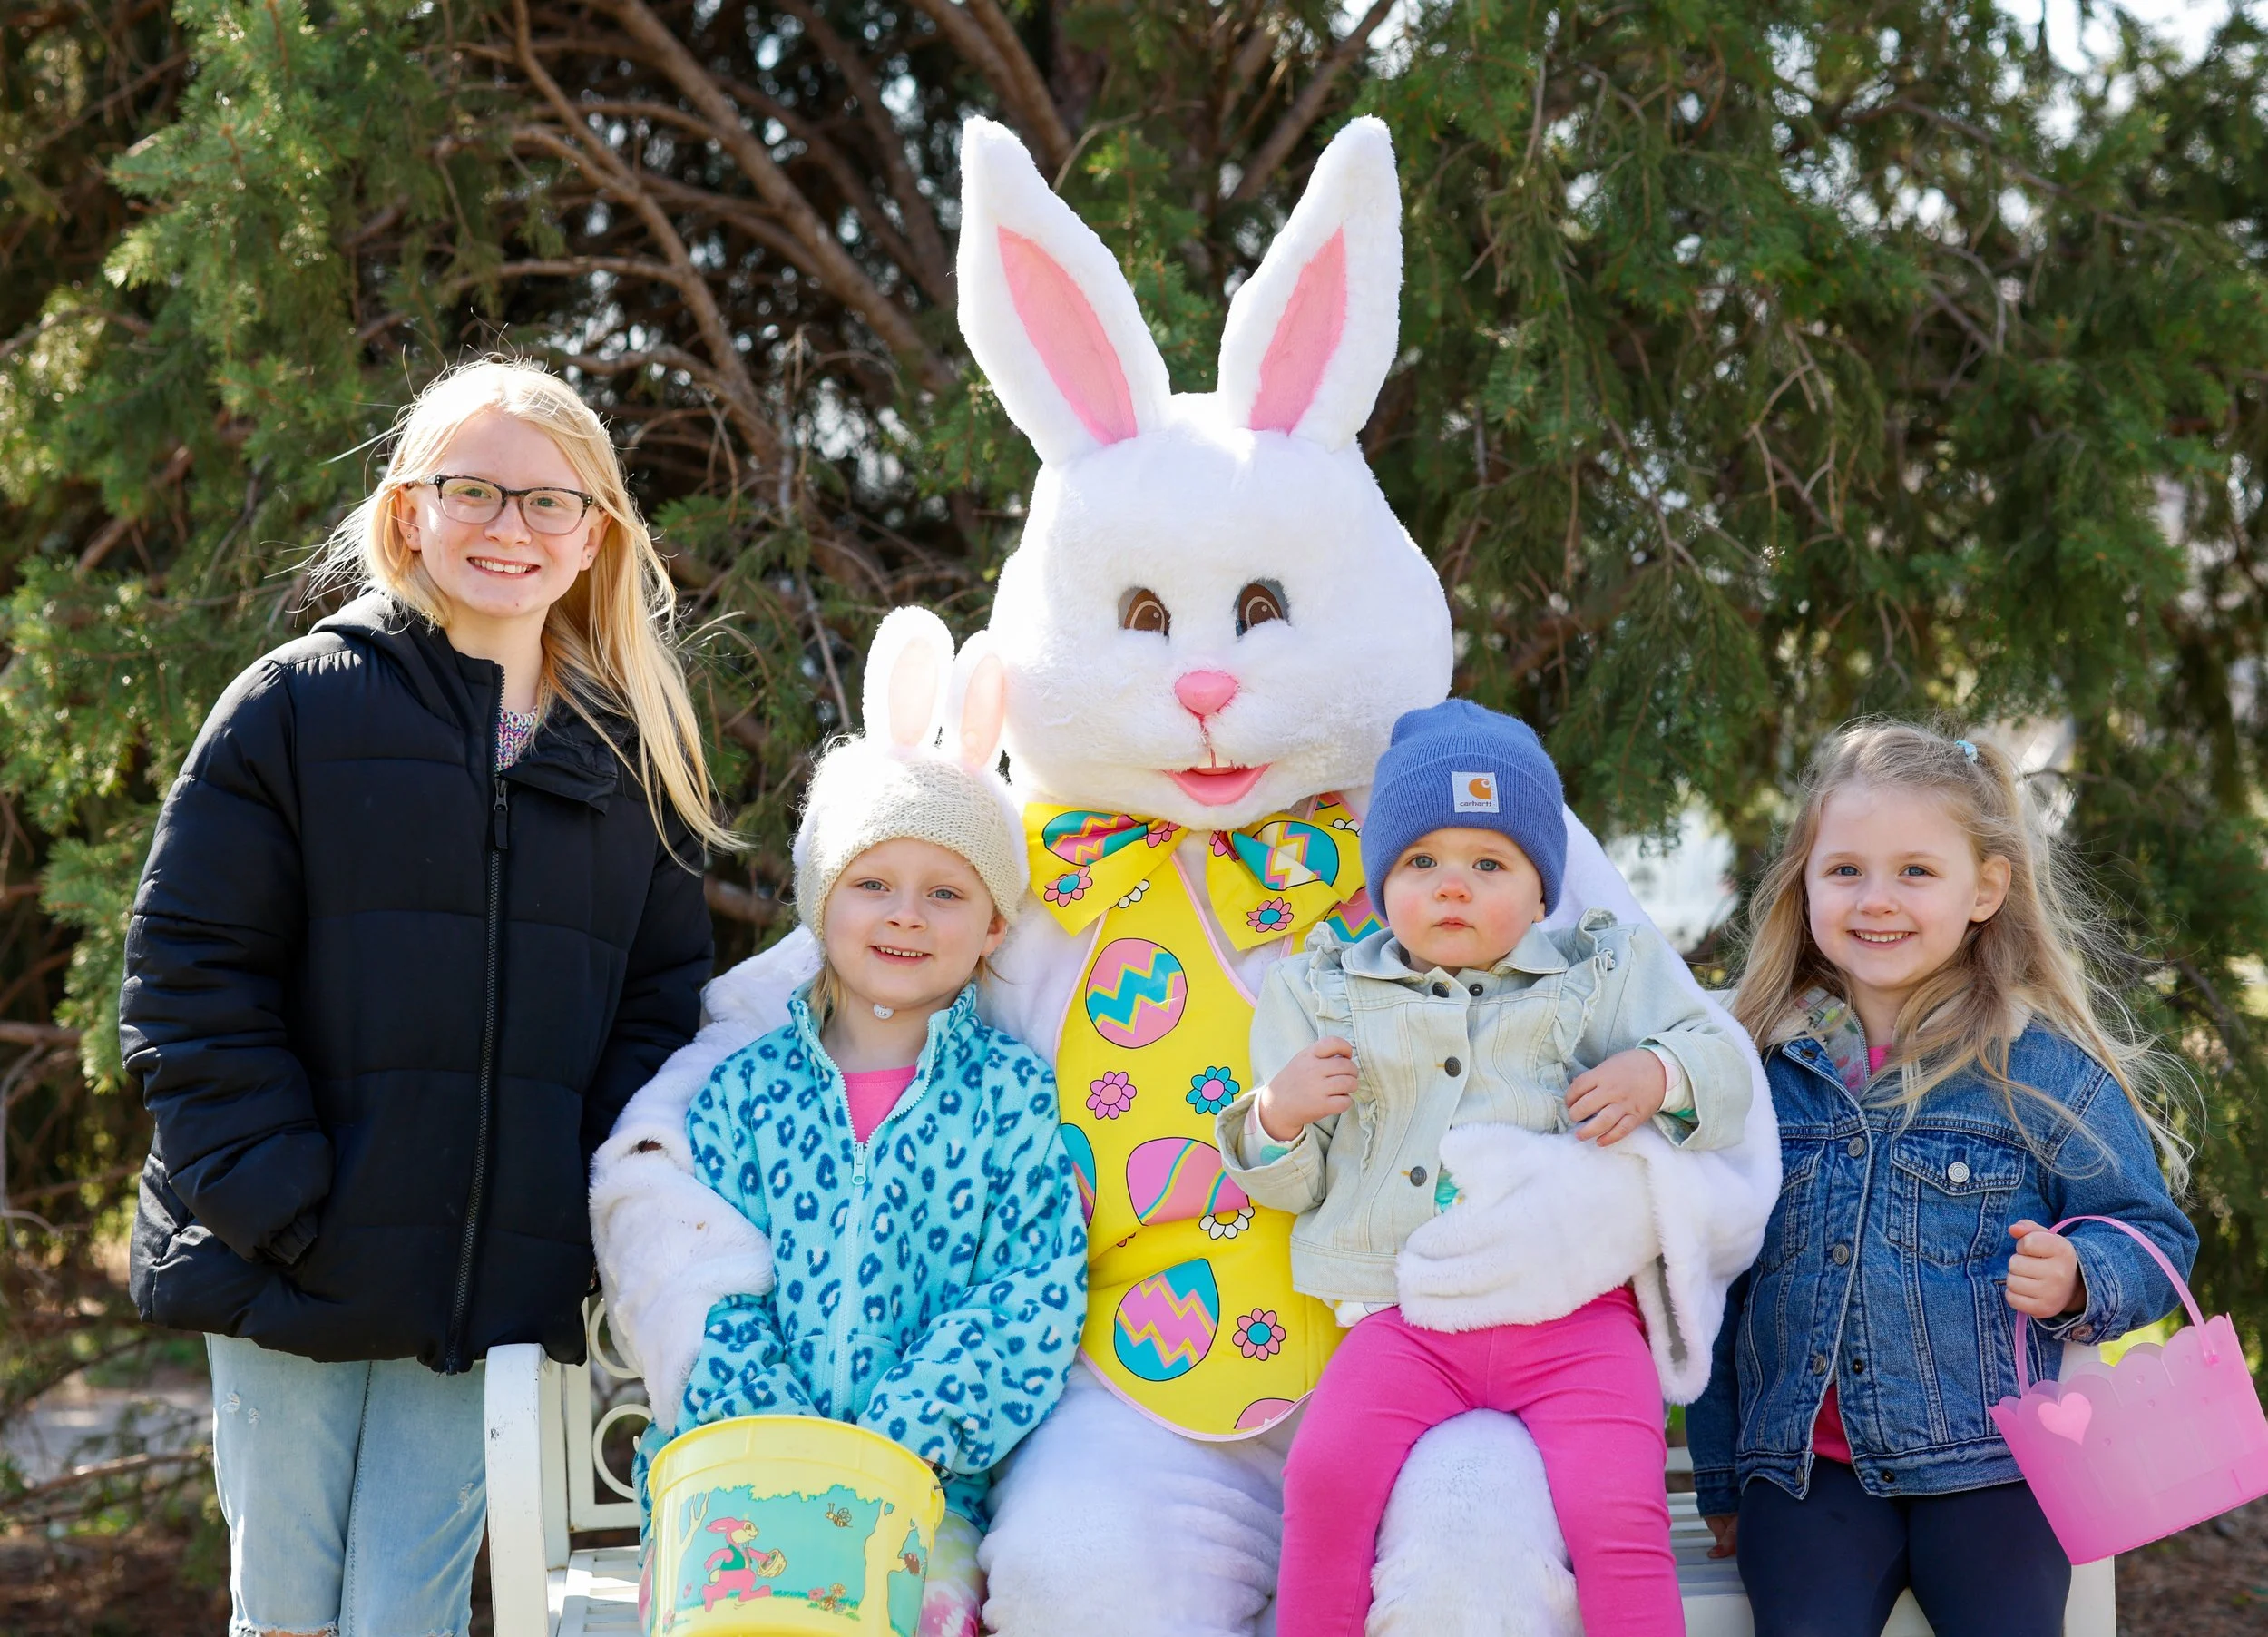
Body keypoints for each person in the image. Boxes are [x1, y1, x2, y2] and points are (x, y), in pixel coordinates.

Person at [122, 358, 727, 1637]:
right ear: (409, 512)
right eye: (474, 491)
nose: (510, 528)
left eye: (547, 504)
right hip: (288, 1258)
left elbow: (658, 1013)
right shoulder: (297, 708)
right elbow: (189, 971)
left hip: (484, 1278)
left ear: (594, 537)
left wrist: (561, 1206)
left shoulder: (627, 763)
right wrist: (278, 1201)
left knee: (411, 1612)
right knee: (287, 1612)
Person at [1215, 699, 1755, 1637]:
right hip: (1407, 1317)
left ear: (1542, 892)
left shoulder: (1594, 974)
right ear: (1382, 885)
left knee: (1616, 1512)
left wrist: (1656, 1071)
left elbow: (1724, 1068)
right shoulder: (1325, 994)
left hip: (1577, 1322)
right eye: (1421, 861)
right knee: (1326, 1477)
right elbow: (1293, 1186)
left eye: (1488, 863)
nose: (1451, 887)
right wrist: (1277, 1113)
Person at [1687, 721, 2198, 1637]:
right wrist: (1723, 1476)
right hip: (1809, 1474)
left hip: (1994, 1468)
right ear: (1804, 881)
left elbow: (2153, 1240)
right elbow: (1718, 1283)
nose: (1875, 899)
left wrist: (2080, 1277)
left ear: (1984, 889)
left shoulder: (2036, 1068)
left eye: (1915, 871)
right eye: (1844, 869)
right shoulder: (1759, 1070)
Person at [631, 669, 1087, 1637]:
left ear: (995, 923)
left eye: (945, 892)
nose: (906, 914)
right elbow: (703, 1278)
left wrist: (900, 1439)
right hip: (739, 1483)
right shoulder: (746, 1094)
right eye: (871, 882)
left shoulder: (1009, 1098)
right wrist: (776, 1437)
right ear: (818, 904)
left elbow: (1029, 1290)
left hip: (924, 1491)